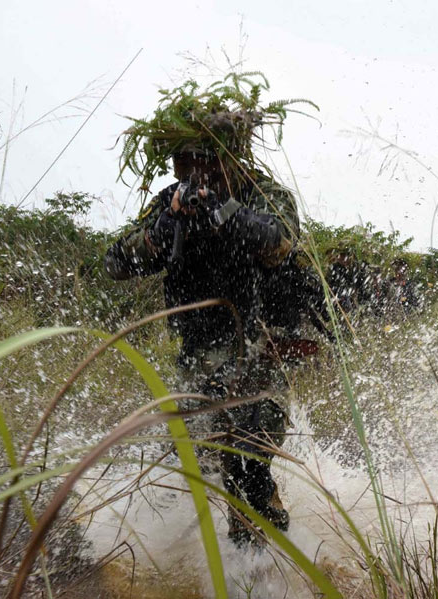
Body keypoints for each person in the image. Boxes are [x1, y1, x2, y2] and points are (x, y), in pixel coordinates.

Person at [104, 75, 317, 546]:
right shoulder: (170, 203)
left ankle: (264, 561)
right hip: (199, 355)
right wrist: (161, 232)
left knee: (248, 458)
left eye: (205, 164)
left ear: (230, 158)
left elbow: (280, 242)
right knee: (203, 460)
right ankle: (219, 551)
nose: (195, 176)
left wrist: (226, 214)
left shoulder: (262, 194)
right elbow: (115, 262)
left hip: (262, 348)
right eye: (184, 165)